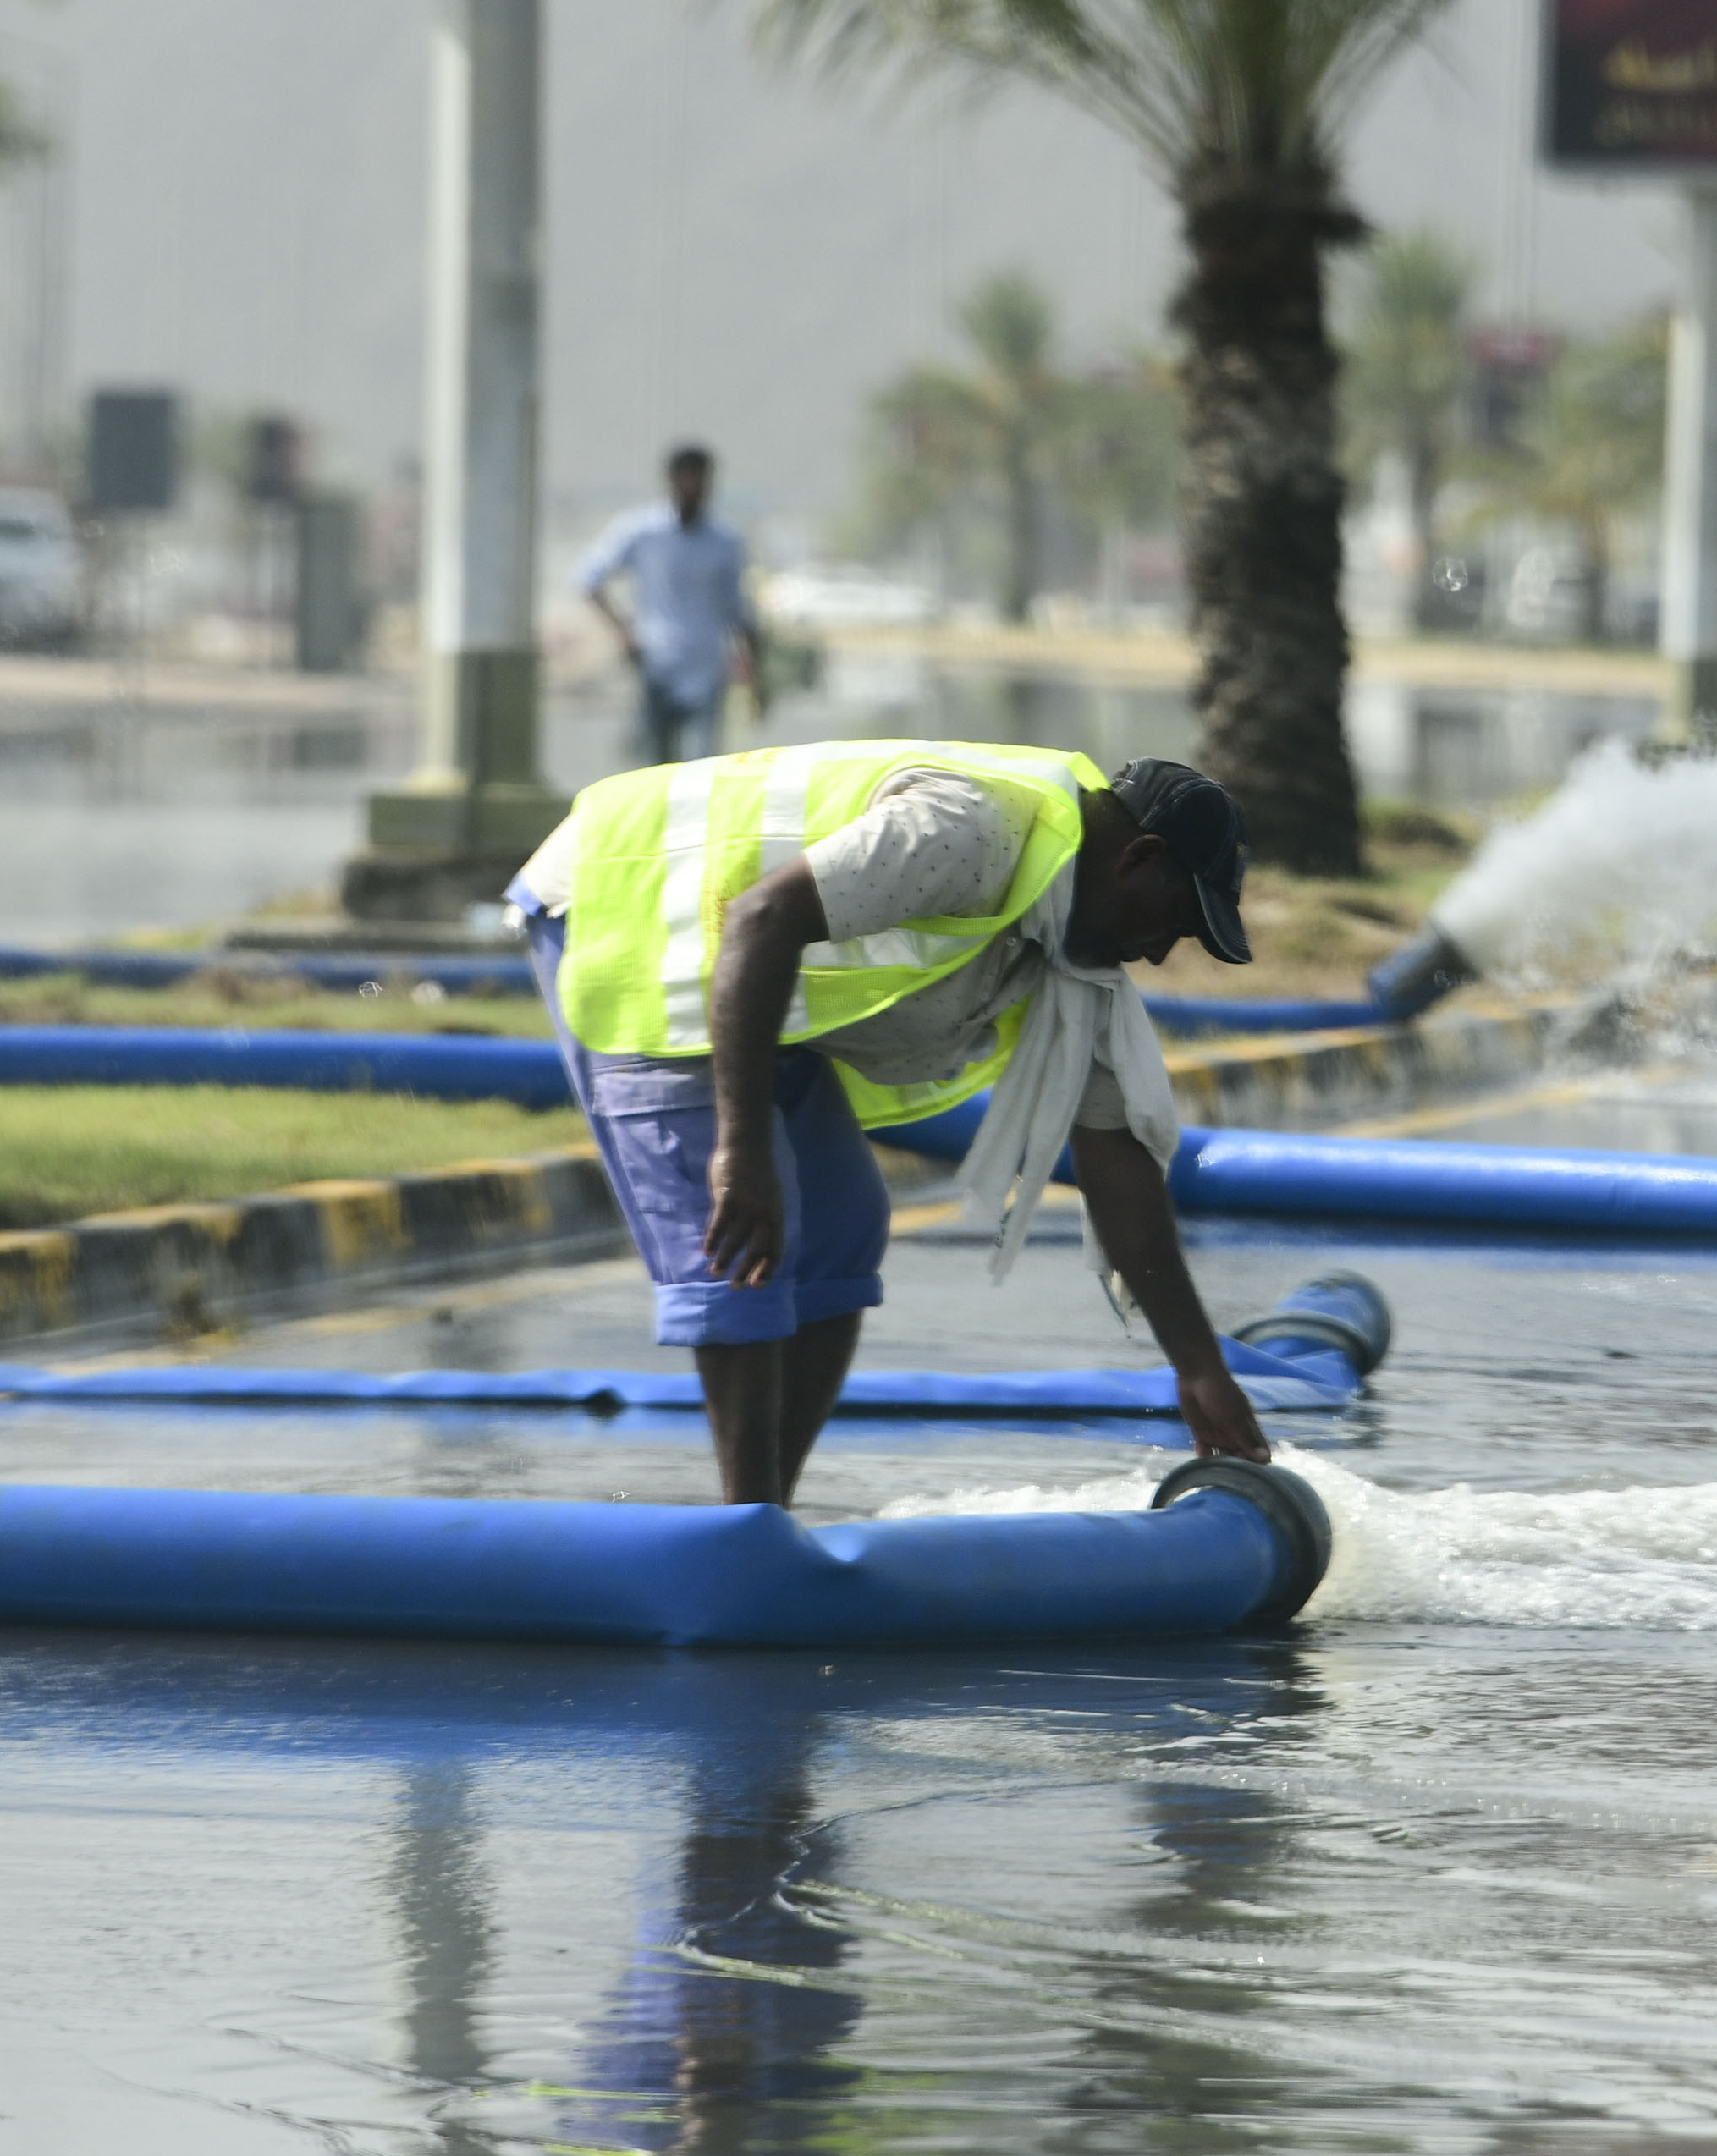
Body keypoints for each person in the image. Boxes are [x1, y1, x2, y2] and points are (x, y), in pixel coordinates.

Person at [505, 740, 1273, 1506]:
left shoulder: (1074, 951)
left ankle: (765, 1513)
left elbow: (1116, 1160)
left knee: (844, 1226)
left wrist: (1198, 1367)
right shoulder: (971, 829)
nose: (1162, 954)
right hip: (628, 908)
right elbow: (762, 917)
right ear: (1138, 860)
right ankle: (748, 1532)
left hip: (751, 964)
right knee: (736, 1238)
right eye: (1176, 920)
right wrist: (740, 1151)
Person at [577, 445, 760, 762]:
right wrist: (624, 634)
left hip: (706, 671)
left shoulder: (724, 540)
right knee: (652, 771)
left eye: (700, 481)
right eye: (686, 480)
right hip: (657, 666)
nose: (693, 489)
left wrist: (756, 673)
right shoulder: (644, 531)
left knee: (700, 771)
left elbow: (738, 610)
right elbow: (589, 579)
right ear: (671, 482)